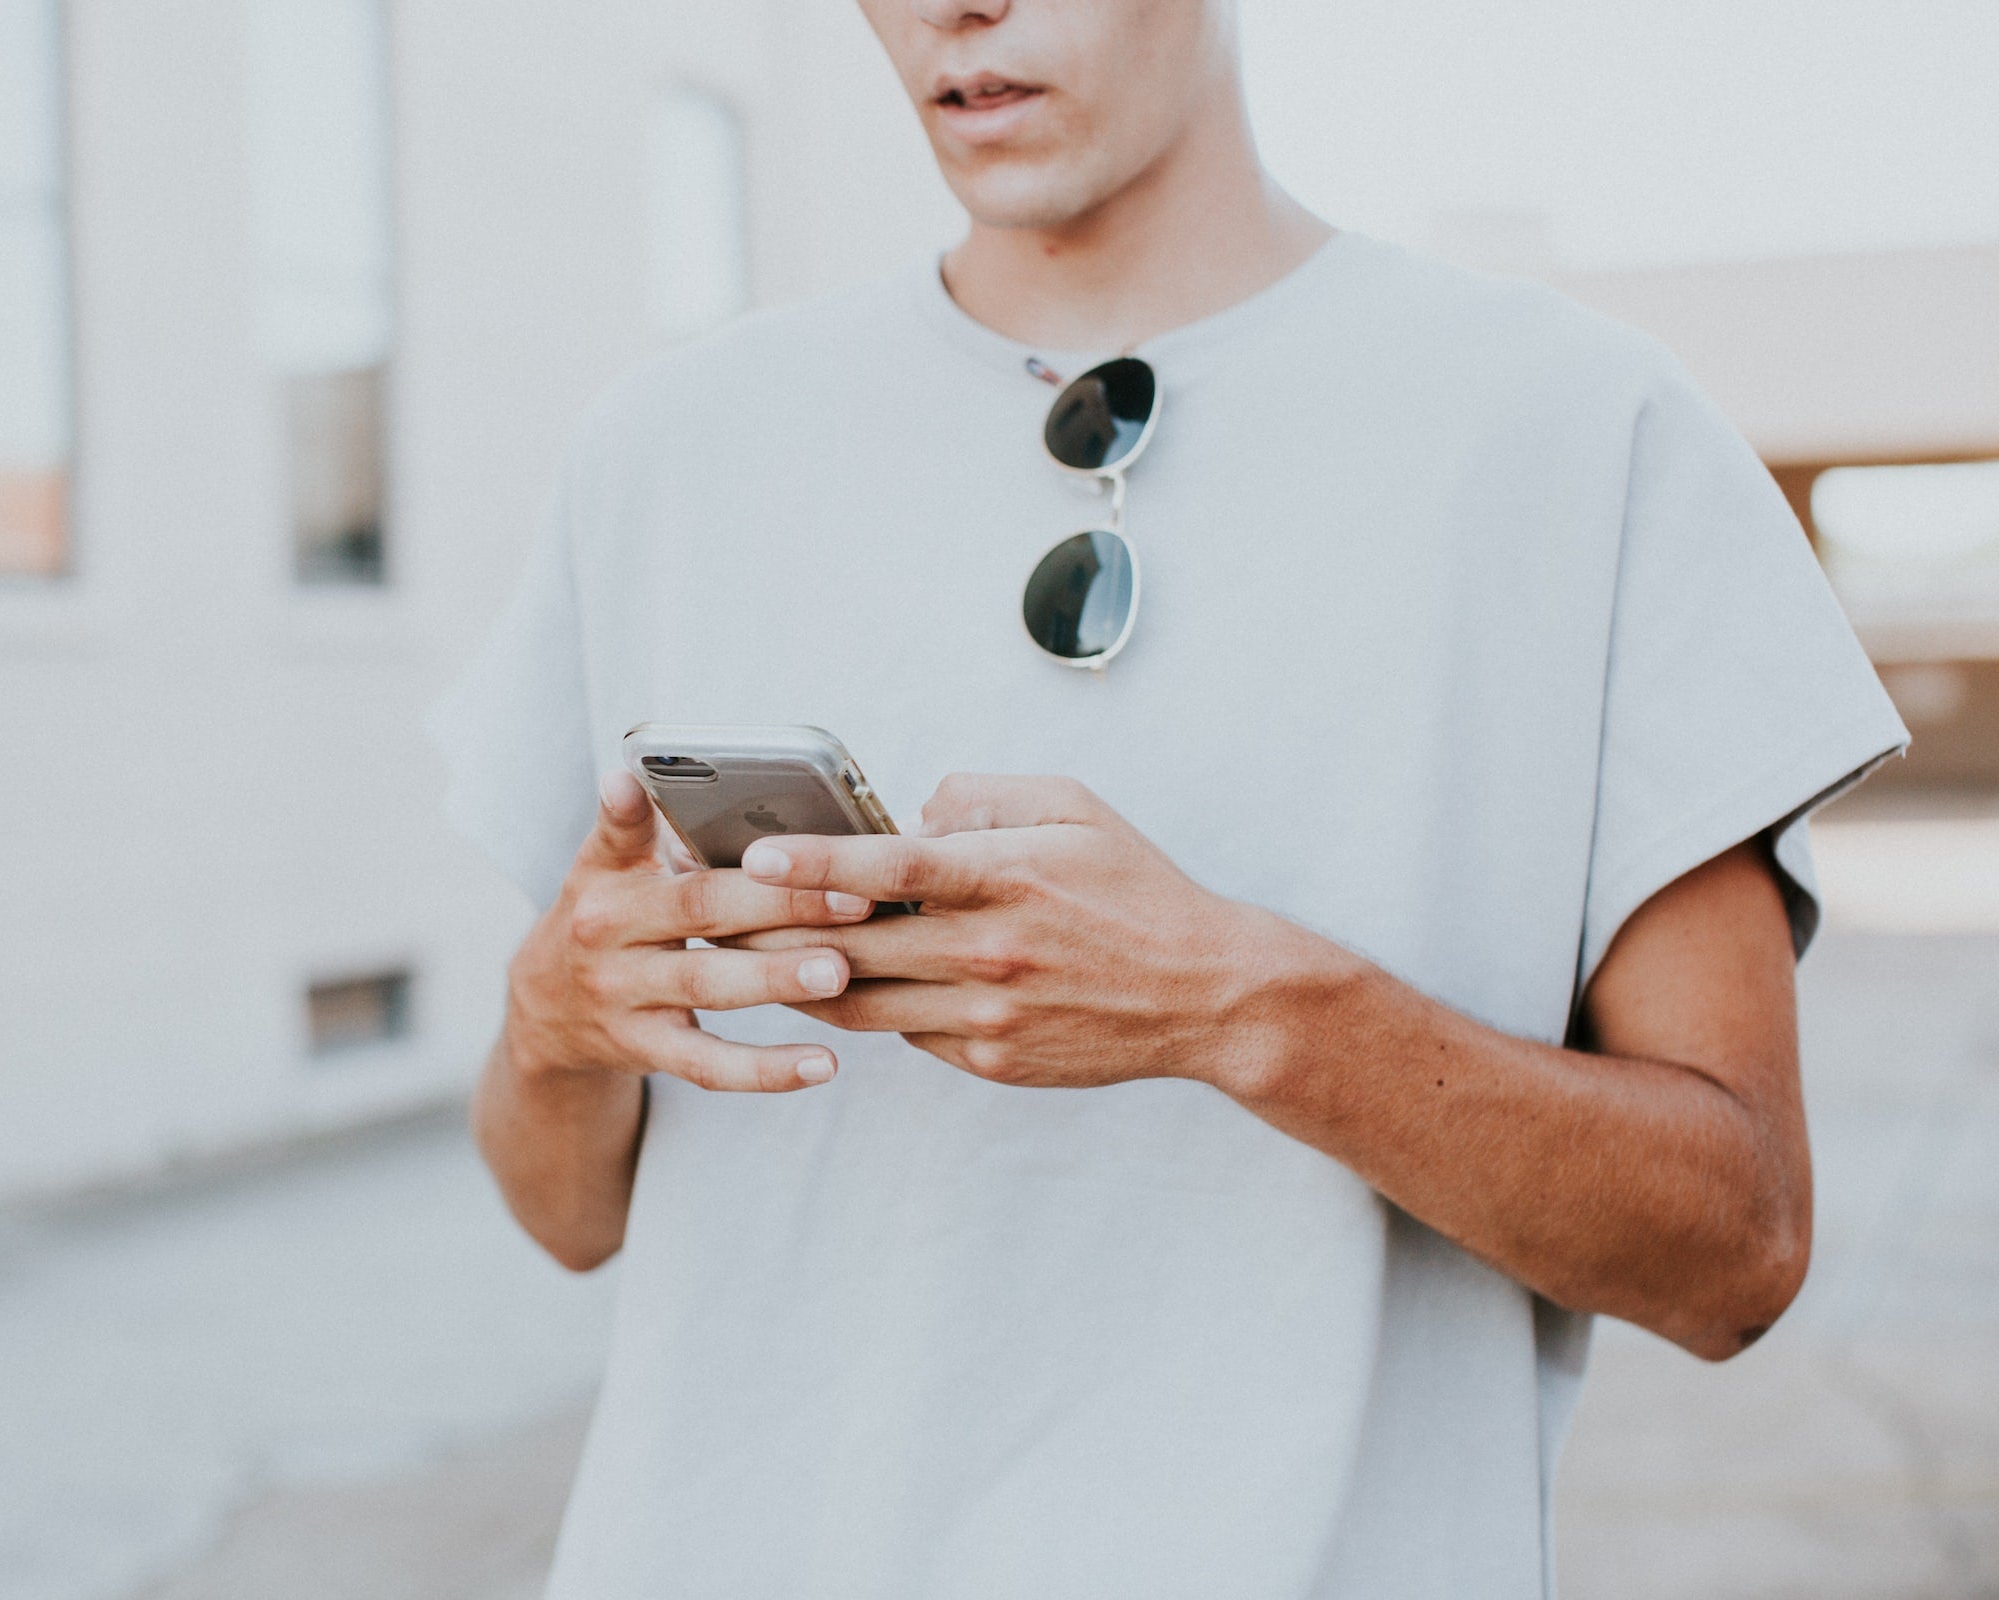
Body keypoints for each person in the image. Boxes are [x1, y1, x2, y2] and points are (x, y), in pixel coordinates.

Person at [429, 1, 1907, 1593]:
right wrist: (553, 1020)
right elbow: (565, 1212)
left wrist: (1242, 1009)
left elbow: (1733, 1252)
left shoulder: (1580, 434)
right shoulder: (667, 449)